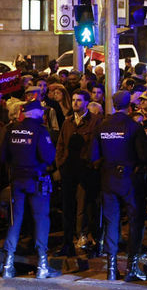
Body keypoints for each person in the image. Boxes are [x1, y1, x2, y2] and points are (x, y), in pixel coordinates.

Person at [93, 90, 147, 282]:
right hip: (129, 180)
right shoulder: (133, 127)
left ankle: (111, 268)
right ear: (129, 106)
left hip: (108, 179)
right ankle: (131, 267)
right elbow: (145, 156)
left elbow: (92, 156)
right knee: (135, 222)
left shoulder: (102, 126)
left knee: (111, 222)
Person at [0, 100, 60, 279]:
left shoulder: (10, 129)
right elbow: (48, 157)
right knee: (41, 219)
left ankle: (7, 264)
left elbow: (3, 156)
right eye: (41, 112)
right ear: (35, 113)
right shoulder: (40, 131)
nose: (43, 114)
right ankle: (42, 265)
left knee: (14, 220)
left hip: (17, 179)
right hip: (36, 180)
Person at [58, 89, 101, 256]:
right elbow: (61, 144)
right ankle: (67, 241)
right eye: (74, 99)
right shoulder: (68, 122)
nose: (75, 103)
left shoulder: (95, 121)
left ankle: (85, 236)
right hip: (69, 171)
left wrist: (94, 165)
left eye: (79, 100)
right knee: (68, 207)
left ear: (86, 103)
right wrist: (61, 163)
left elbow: (97, 146)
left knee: (85, 207)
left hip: (86, 171)